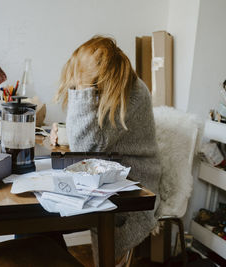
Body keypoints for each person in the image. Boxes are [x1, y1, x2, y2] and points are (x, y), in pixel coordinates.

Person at [54, 36, 162, 264]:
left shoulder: (129, 91)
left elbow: (87, 148)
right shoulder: (115, 86)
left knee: (43, 214)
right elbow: (95, 140)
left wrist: (82, 90)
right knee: (42, 214)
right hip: (111, 177)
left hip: (135, 188)